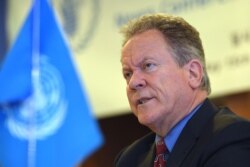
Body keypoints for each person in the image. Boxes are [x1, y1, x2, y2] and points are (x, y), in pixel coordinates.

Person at [114, 13, 250, 167]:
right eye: (128, 74)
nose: (133, 82)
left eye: (148, 65)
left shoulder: (231, 137)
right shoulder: (130, 159)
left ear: (193, 73)